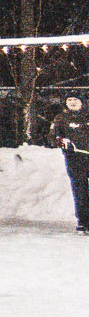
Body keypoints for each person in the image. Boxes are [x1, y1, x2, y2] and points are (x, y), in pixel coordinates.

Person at [51, 95, 89, 233]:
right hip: (75, 159)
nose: (72, 103)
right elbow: (52, 136)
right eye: (69, 100)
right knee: (80, 190)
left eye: (76, 100)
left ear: (82, 102)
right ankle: (84, 222)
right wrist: (61, 141)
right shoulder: (60, 118)